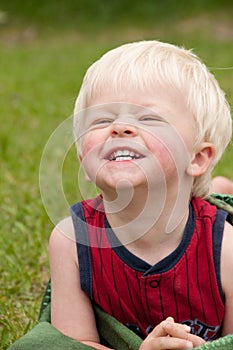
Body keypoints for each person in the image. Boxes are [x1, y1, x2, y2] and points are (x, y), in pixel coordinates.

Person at [49, 40, 233, 350]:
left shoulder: (225, 248)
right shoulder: (71, 240)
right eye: (103, 120)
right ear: (83, 157)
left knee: (213, 196)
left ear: (197, 158)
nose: (120, 128)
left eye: (148, 118)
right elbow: (73, 343)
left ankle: (219, 187)